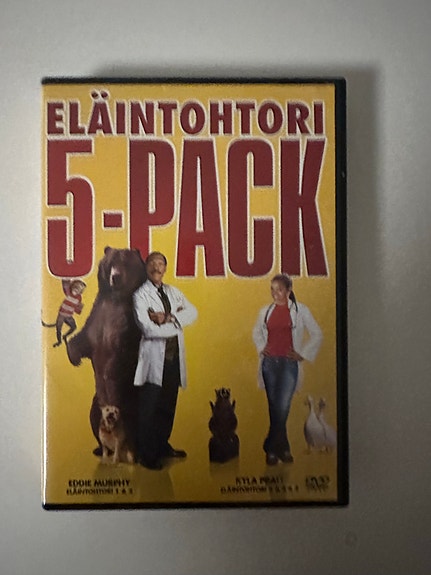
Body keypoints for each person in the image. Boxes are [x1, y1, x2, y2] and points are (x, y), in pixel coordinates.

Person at [133, 251, 198, 470]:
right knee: (149, 407)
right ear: (146, 267)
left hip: (173, 359)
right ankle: (146, 454)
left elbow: (193, 312)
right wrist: (176, 325)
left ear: (165, 268)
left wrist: (169, 318)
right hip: (154, 360)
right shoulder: (140, 295)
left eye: (160, 264)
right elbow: (148, 329)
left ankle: (162, 445)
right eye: (152, 263)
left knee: (168, 405)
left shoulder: (173, 291)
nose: (156, 267)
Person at [252, 274, 322, 466]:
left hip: (288, 365)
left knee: (282, 407)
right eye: (272, 289)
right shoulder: (265, 311)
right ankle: (283, 449)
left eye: (279, 289)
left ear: (289, 291)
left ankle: (270, 446)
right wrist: (262, 347)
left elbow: (317, 334)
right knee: (274, 408)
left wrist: (302, 354)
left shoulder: (301, 311)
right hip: (269, 365)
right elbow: (256, 331)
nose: (275, 293)